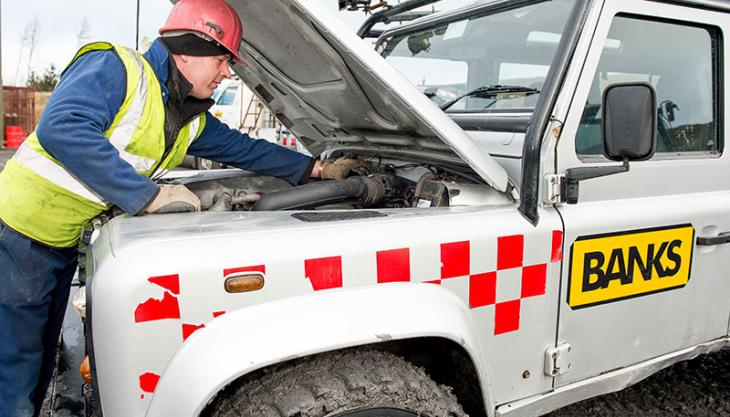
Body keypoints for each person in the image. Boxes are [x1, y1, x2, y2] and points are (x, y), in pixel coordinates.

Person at [0, 0, 357, 415]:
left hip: (57, 239)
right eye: (223, 60)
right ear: (189, 49)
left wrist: (317, 168)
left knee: (40, 354)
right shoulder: (117, 69)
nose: (227, 72)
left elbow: (246, 149)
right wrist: (147, 196)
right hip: (20, 231)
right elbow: (63, 127)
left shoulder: (187, 117)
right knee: (16, 364)